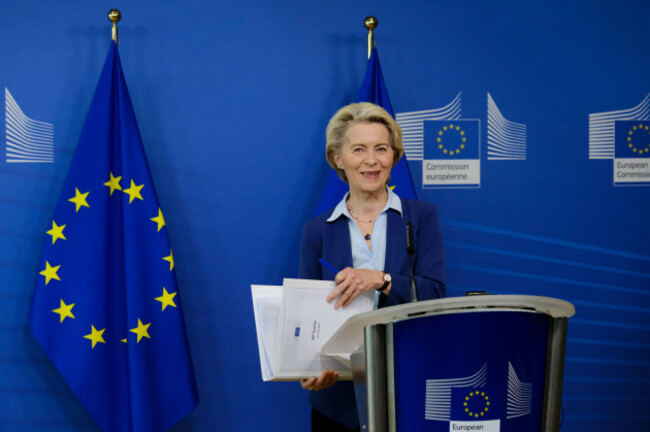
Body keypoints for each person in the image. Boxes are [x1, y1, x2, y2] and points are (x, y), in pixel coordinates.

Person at [298, 102, 446, 431]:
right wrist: (308, 371)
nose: (371, 160)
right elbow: (305, 314)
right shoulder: (317, 231)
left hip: (409, 385)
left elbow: (435, 295)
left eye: (381, 149)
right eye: (359, 149)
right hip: (336, 402)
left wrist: (380, 279)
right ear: (338, 158)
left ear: (393, 156)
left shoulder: (421, 218)